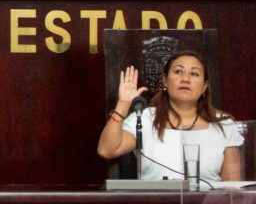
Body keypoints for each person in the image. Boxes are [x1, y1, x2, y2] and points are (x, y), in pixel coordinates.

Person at [98, 51, 242, 185]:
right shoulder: (144, 119)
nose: (185, 79)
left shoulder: (224, 124)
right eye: (178, 71)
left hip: (206, 203)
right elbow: (107, 150)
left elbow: (232, 186)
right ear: (165, 81)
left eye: (194, 74)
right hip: (156, 203)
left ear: (204, 86)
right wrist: (123, 104)